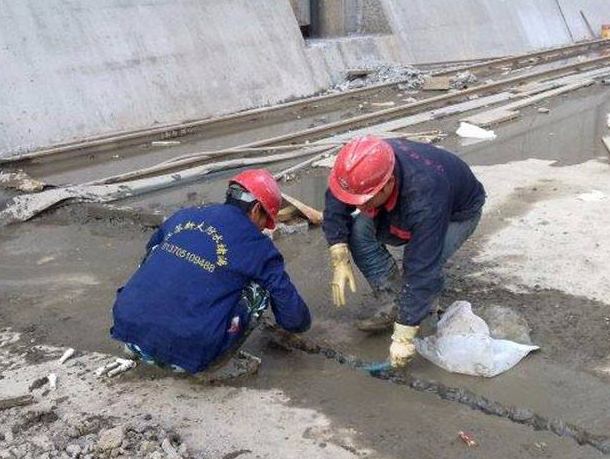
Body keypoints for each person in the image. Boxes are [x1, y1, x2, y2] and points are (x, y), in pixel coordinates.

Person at [111, 169, 311, 375]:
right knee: (259, 288)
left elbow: (149, 253)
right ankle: (215, 363)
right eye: (264, 221)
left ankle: (144, 334)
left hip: (127, 329)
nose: (262, 229)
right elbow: (294, 319)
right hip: (189, 353)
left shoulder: (184, 216)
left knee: (158, 254)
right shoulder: (259, 246)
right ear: (256, 209)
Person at [323, 135, 485, 368]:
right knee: (358, 232)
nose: (358, 207)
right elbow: (337, 200)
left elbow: (421, 267)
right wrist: (338, 252)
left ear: (388, 183)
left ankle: (422, 323)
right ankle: (394, 300)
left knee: (428, 260)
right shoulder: (361, 167)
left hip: (457, 213)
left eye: (365, 199)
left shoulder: (425, 195)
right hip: (412, 195)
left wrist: (404, 337)